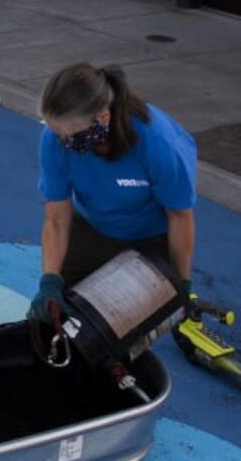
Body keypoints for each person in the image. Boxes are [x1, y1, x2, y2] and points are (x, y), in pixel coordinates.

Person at [27, 62, 198, 324]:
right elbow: (57, 219)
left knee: (120, 329)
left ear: (102, 117)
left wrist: (181, 283)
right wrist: (50, 280)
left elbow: (179, 215)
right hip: (94, 226)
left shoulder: (157, 143)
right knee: (54, 315)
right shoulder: (54, 141)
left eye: (71, 134)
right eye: (57, 132)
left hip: (151, 238)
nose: (64, 142)